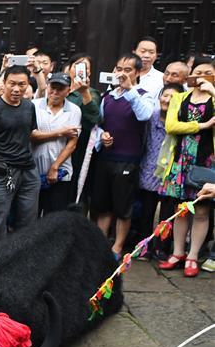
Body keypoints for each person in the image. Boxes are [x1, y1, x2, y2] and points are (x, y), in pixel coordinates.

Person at [92, 53, 156, 257]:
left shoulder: (143, 94)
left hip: (128, 159)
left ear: (138, 72)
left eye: (127, 70)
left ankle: (117, 246)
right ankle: (101, 243)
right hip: (107, 157)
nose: (122, 73)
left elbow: (144, 115)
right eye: (119, 68)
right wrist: (103, 137)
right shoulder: (107, 97)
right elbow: (100, 124)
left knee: (123, 206)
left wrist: (130, 89)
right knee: (103, 204)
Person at [156, 58, 215, 277]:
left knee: (201, 209)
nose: (202, 75)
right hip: (180, 158)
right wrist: (203, 125)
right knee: (181, 209)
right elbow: (171, 125)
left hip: (206, 159)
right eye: (198, 71)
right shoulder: (180, 97)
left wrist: (213, 91)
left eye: (208, 72)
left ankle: (193, 255)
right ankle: (178, 251)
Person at [0, 65, 41, 246]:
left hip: (28, 170)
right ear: (3, 83)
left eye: (22, 84)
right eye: (12, 83)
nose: (17, 89)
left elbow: (29, 134)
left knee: (28, 219)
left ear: (28, 85)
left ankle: (21, 258)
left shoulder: (29, 106)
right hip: (2, 173)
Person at [137, 84, 182, 260]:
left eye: (173, 97)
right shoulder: (152, 117)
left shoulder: (181, 121)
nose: (167, 100)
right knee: (146, 213)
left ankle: (162, 248)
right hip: (149, 170)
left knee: (167, 215)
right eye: (165, 95)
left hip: (171, 174)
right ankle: (143, 247)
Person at [30, 73, 82, 214]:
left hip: (61, 171)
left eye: (60, 88)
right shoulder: (34, 106)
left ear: (68, 90)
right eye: (53, 87)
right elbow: (31, 135)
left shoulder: (74, 110)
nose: (55, 92)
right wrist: (60, 133)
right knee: (31, 215)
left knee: (54, 215)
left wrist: (55, 167)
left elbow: (72, 143)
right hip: (34, 168)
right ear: (47, 86)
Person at [63, 53, 102, 203]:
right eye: (77, 65)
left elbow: (94, 119)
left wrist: (84, 92)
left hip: (77, 148)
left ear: (89, 72)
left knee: (72, 192)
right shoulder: (59, 89)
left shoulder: (91, 93)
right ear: (69, 68)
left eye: (85, 67)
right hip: (54, 144)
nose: (80, 69)